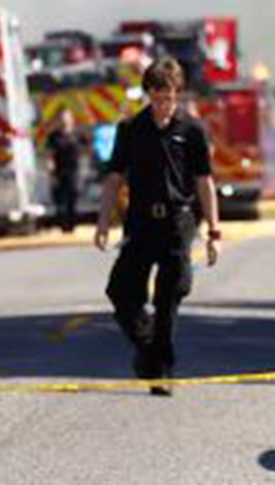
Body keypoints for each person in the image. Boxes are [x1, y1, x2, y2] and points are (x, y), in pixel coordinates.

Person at [94, 58, 221, 395]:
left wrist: (214, 232)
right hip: (140, 222)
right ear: (148, 94)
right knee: (120, 292)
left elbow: (205, 182)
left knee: (171, 294)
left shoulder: (192, 131)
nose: (164, 105)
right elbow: (113, 179)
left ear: (177, 94)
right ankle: (149, 349)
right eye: (158, 97)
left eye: (170, 98)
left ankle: (161, 373)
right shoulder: (131, 130)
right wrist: (103, 222)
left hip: (179, 222)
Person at [45, 109, 81, 233]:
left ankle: (72, 226)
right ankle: (63, 226)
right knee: (60, 200)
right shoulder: (53, 136)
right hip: (59, 171)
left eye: (66, 117)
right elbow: (50, 154)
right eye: (61, 118)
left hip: (73, 171)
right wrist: (50, 169)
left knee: (73, 198)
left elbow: (87, 149)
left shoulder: (76, 134)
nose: (64, 120)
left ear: (71, 119)